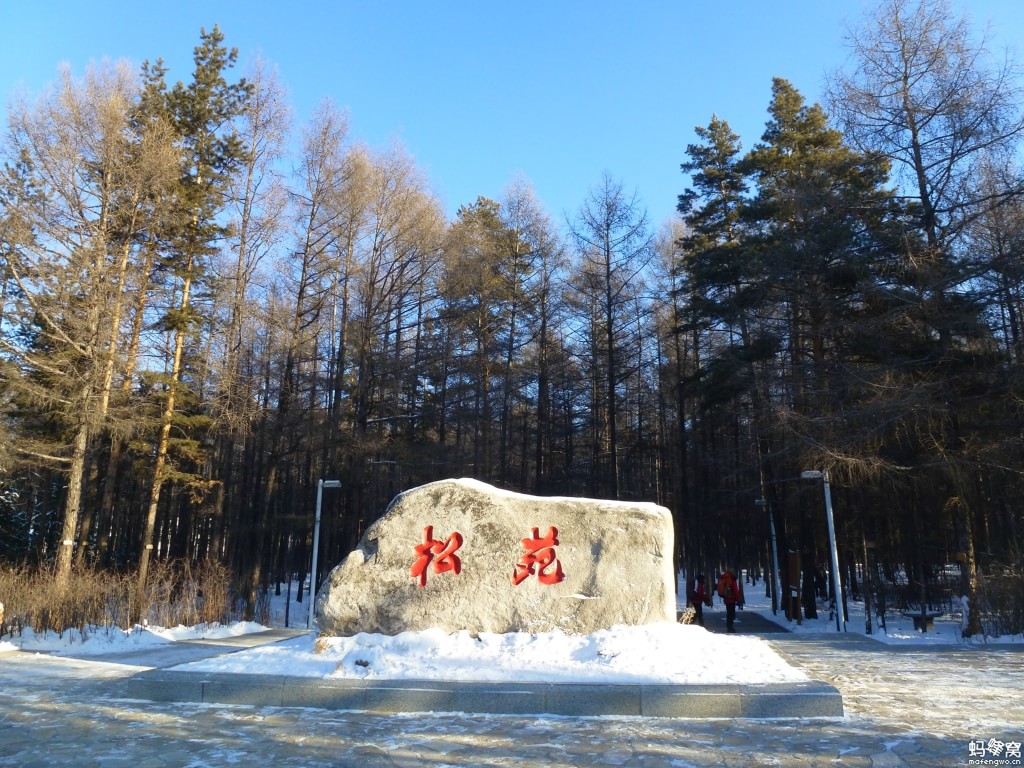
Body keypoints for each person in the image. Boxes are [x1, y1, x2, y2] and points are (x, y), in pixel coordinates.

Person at [717, 568, 743, 632]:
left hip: (726, 598)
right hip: (732, 599)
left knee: (729, 613)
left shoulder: (724, 578)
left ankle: (729, 626)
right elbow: (735, 590)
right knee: (731, 614)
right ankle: (730, 627)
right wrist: (738, 598)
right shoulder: (732, 579)